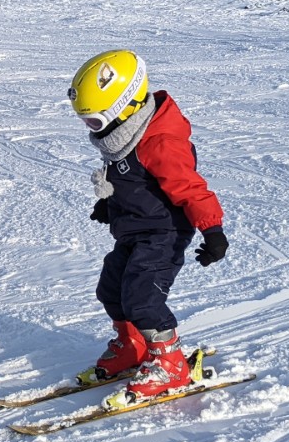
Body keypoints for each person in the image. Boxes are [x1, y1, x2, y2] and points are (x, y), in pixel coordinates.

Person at [66, 50, 227, 409]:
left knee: (143, 298)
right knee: (111, 288)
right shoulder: (127, 131)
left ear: (124, 105)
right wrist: (109, 203)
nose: (92, 130)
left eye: (94, 122)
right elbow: (131, 179)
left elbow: (190, 187)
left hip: (163, 233)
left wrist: (212, 230)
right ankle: (134, 346)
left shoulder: (160, 141)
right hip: (134, 228)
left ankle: (170, 365)